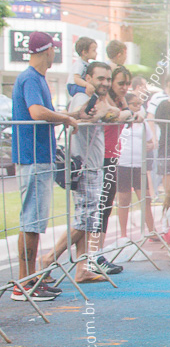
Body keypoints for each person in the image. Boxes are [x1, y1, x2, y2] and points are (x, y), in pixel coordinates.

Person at [11, 32, 78, 302]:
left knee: (35, 222)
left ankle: (29, 280)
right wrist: (63, 117)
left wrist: (67, 116)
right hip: (33, 157)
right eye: (54, 50)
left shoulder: (35, 78)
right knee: (31, 221)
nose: (55, 54)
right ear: (46, 51)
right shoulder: (30, 78)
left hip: (38, 157)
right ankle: (23, 283)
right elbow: (36, 112)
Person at [42, 61, 116, 284]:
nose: (105, 83)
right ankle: (49, 258)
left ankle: (82, 268)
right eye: (100, 78)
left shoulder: (97, 100)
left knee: (89, 220)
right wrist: (106, 112)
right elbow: (90, 117)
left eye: (107, 79)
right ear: (89, 78)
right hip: (85, 167)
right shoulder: (84, 98)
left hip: (93, 166)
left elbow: (112, 114)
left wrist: (108, 110)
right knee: (85, 220)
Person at [94, 65, 137, 274]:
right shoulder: (104, 100)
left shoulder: (121, 101)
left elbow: (131, 115)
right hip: (100, 158)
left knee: (105, 207)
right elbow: (115, 116)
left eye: (127, 83)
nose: (124, 87)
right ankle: (93, 255)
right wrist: (127, 113)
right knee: (98, 209)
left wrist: (129, 111)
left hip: (112, 157)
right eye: (120, 83)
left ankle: (97, 254)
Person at [116, 92, 158, 240]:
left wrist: (150, 145)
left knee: (145, 198)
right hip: (123, 164)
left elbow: (151, 142)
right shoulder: (120, 121)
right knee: (124, 200)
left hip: (139, 165)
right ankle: (123, 234)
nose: (138, 107)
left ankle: (152, 230)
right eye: (134, 104)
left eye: (140, 104)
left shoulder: (143, 122)